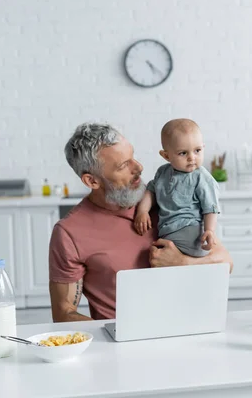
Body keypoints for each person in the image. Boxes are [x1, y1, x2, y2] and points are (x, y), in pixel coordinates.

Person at [49, 122, 232, 322]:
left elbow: (226, 262)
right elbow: (63, 314)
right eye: (122, 165)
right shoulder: (70, 233)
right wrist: (115, 334)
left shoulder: (166, 199)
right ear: (92, 181)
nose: (139, 167)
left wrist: (183, 262)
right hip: (123, 346)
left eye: (132, 157)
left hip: (187, 327)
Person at [134, 119, 219, 257]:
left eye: (197, 150)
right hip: (167, 231)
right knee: (158, 259)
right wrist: (142, 211)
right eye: (183, 153)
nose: (192, 157)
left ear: (203, 147)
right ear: (166, 155)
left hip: (191, 230)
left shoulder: (202, 177)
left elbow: (211, 207)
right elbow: (151, 191)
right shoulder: (162, 172)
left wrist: (210, 230)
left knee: (163, 257)